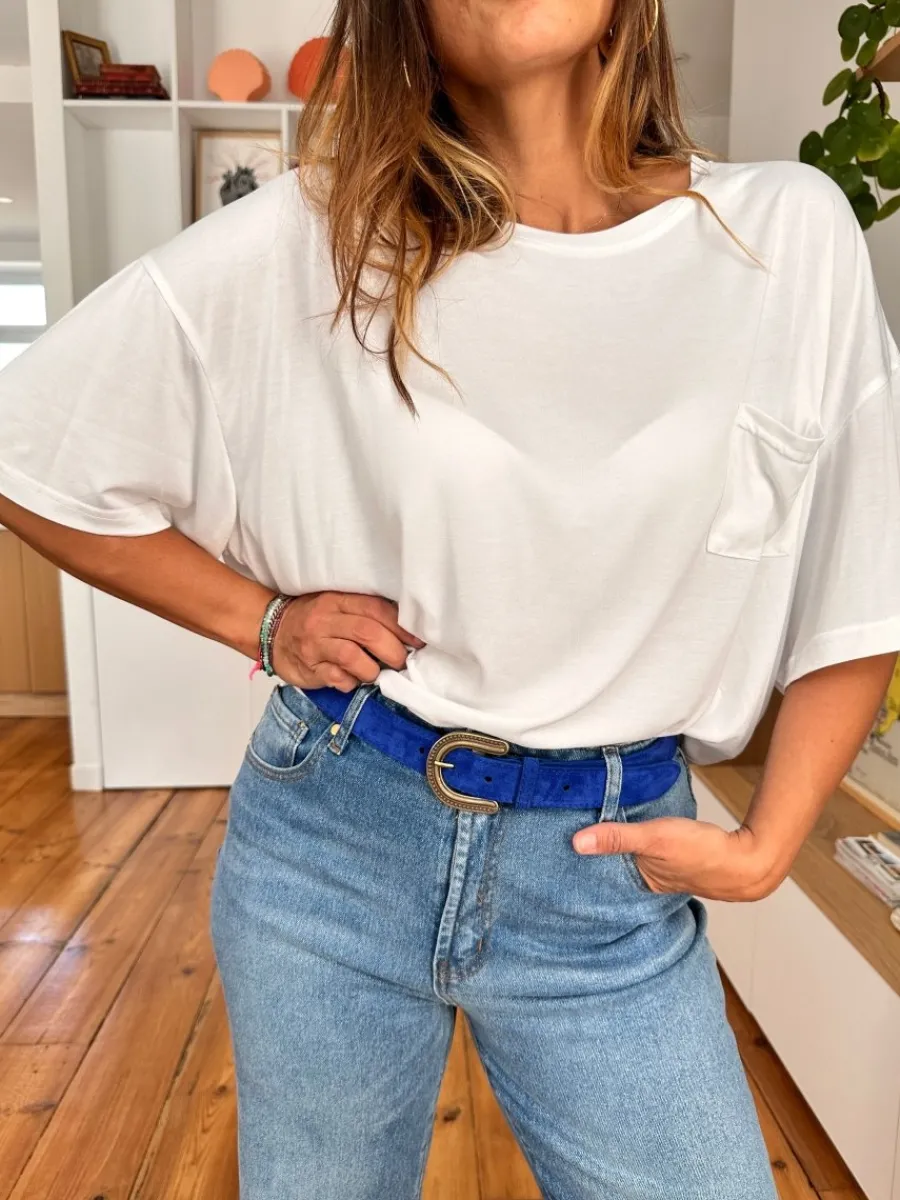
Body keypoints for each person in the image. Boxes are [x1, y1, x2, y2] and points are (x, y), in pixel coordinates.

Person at [1, 1, 899, 1196]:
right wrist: (263, 621)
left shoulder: (783, 232)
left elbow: (863, 556)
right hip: (335, 839)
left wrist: (772, 841)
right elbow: (32, 448)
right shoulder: (317, 234)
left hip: (609, 875)